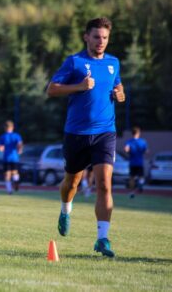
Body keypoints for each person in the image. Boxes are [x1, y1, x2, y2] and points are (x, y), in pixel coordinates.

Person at [46, 17, 125, 258]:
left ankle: (102, 239)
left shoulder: (113, 63)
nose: (101, 42)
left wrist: (120, 94)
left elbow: (118, 87)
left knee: (104, 184)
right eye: (96, 37)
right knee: (72, 183)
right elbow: (52, 89)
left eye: (105, 38)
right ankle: (65, 210)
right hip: (77, 134)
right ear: (86, 37)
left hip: (105, 133)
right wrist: (79, 86)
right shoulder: (75, 62)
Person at [0, 120, 23, 195]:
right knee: (14, 173)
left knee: (7, 174)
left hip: (6, 158)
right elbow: (19, 144)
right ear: (13, 127)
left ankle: (9, 191)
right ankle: (16, 181)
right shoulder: (17, 136)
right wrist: (20, 149)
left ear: (5, 128)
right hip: (14, 157)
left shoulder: (2, 136)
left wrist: (0, 149)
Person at [124, 126, 148, 198]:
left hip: (132, 163)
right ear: (138, 133)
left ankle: (131, 192)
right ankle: (140, 183)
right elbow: (146, 151)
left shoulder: (129, 141)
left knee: (132, 178)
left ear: (132, 133)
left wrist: (128, 150)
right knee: (141, 176)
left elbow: (126, 149)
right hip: (140, 162)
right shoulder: (143, 141)